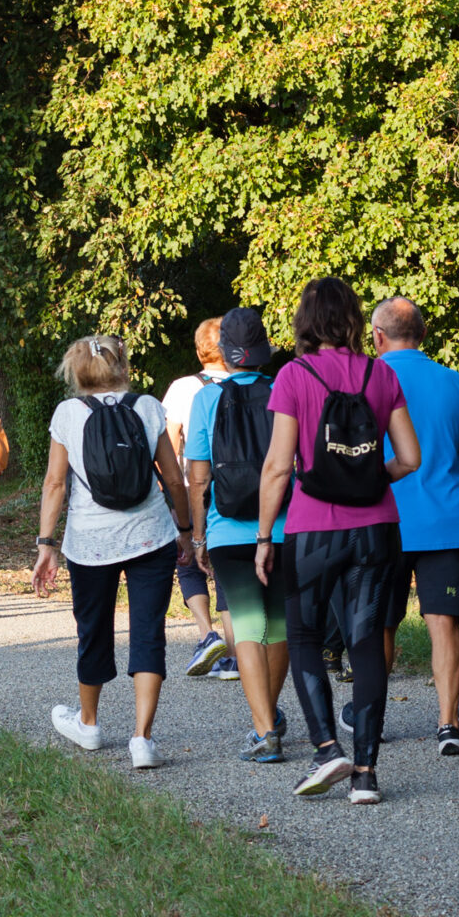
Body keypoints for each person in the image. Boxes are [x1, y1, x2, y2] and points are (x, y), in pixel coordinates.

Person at [253, 277, 421, 806]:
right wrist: (370, 478)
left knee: (304, 634)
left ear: (305, 322)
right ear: (353, 320)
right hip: (376, 529)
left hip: (312, 530)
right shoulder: (381, 373)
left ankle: (327, 748)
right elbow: (410, 458)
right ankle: (365, 774)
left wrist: (264, 535)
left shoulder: (293, 375)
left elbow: (278, 466)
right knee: (365, 641)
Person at [33, 335, 196, 770]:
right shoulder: (147, 407)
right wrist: (185, 532)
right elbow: (173, 479)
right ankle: (142, 738)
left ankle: (89, 724)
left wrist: (46, 545)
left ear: (77, 371)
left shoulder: (68, 413)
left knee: (93, 631)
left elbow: (55, 483)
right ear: (122, 367)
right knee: (148, 632)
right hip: (151, 537)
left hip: (89, 543)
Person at [370, 296, 459, 756]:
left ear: (378, 336)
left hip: (382, 520)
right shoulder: (452, 380)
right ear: (422, 334)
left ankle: (373, 720)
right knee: (443, 623)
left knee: (380, 623)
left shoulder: (368, 378)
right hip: (444, 520)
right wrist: (451, 480)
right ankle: (449, 724)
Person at [185, 308, 292, 761]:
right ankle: (269, 713)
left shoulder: (206, 399)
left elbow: (198, 477)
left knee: (247, 626)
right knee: (280, 623)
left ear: (226, 353)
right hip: (283, 524)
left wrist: (197, 536)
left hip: (227, 529)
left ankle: (264, 728)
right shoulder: (283, 389)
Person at [163, 320, 236, 677]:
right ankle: (234, 656)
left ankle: (208, 635)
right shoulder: (247, 383)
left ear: (199, 350)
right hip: (236, 491)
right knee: (227, 570)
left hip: (193, 488)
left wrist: (169, 491)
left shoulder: (183, 388)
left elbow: (168, 443)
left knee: (188, 561)